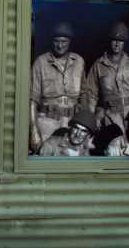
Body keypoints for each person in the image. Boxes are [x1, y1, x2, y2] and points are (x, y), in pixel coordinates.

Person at [29, 22, 88, 154]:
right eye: (57, 41)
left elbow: (84, 94)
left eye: (64, 41)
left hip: (72, 125)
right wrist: (34, 130)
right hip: (47, 124)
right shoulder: (41, 62)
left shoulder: (79, 61)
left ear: (70, 41)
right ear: (51, 41)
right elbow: (32, 101)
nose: (60, 45)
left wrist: (86, 124)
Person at [87, 21, 129, 134]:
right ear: (109, 40)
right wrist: (93, 117)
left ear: (125, 43)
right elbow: (91, 95)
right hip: (111, 115)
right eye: (114, 40)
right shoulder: (99, 65)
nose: (117, 44)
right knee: (112, 144)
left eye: (121, 41)